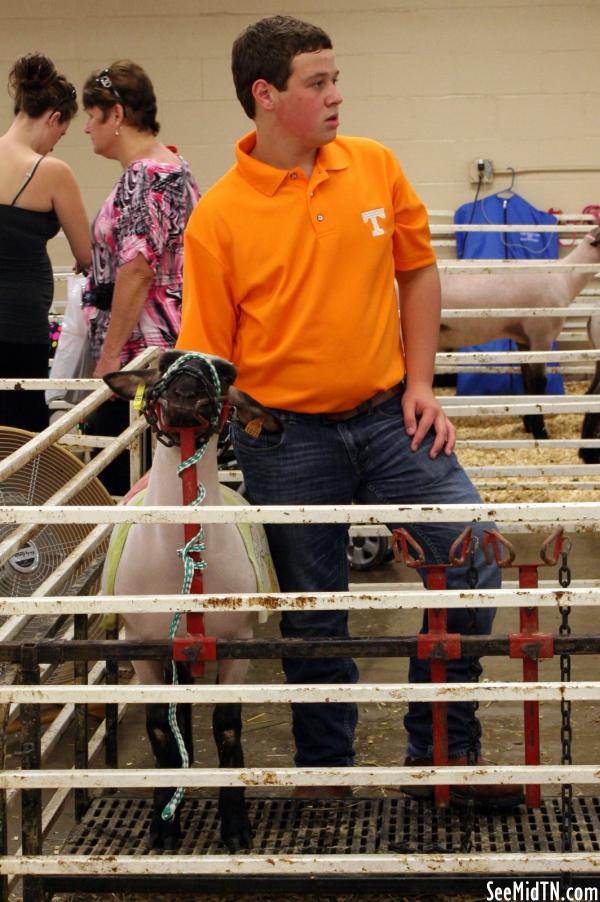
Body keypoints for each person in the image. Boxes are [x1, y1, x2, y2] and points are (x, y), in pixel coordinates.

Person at [178, 15, 522, 807]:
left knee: (469, 560)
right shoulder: (219, 217)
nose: (338, 95)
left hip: (388, 416)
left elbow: (419, 272)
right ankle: (326, 773)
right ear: (266, 97)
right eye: (318, 82)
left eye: (336, 78)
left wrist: (422, 383)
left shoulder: (373, 166)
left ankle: (441, 752)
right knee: (314, 614)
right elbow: (211, 360)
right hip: (285, 438)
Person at [81, 60, 200, 494]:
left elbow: (137, 267)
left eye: (91, 117)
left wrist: (110, 357)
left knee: (115, 482)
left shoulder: (146, 176)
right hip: (162, 351)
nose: (87, 129)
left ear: (116, 114)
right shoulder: (172, 168)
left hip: (143, 361)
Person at [0, 53, 90, 433]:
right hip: (20, 330)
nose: (55, 144)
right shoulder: (51, 171)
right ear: (53, 118)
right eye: (61, 134)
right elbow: (87, 255)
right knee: (21, 440)